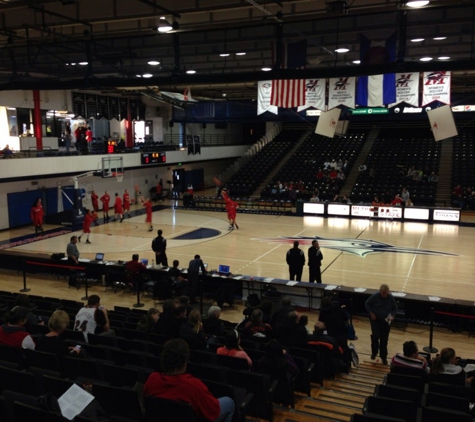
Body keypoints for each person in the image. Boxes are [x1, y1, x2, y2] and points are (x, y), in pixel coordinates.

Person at [143, 338, 234, 422]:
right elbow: (214, 411)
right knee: (229, 402)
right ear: (185, 362)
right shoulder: (193, 385)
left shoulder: (152, 379)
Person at [365, 284, 398, 365]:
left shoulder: (390, 298)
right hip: (375, 320)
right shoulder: (375, 296)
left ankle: (383, 356)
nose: (385, 295)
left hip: (386, 322)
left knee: (384, 339)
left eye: (386, 293)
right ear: (380, 291)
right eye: (383, 293)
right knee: (375, 336)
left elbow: (395, 308)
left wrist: (393, 316)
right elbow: (367, 303)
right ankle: (374, 352)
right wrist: (371, 313)